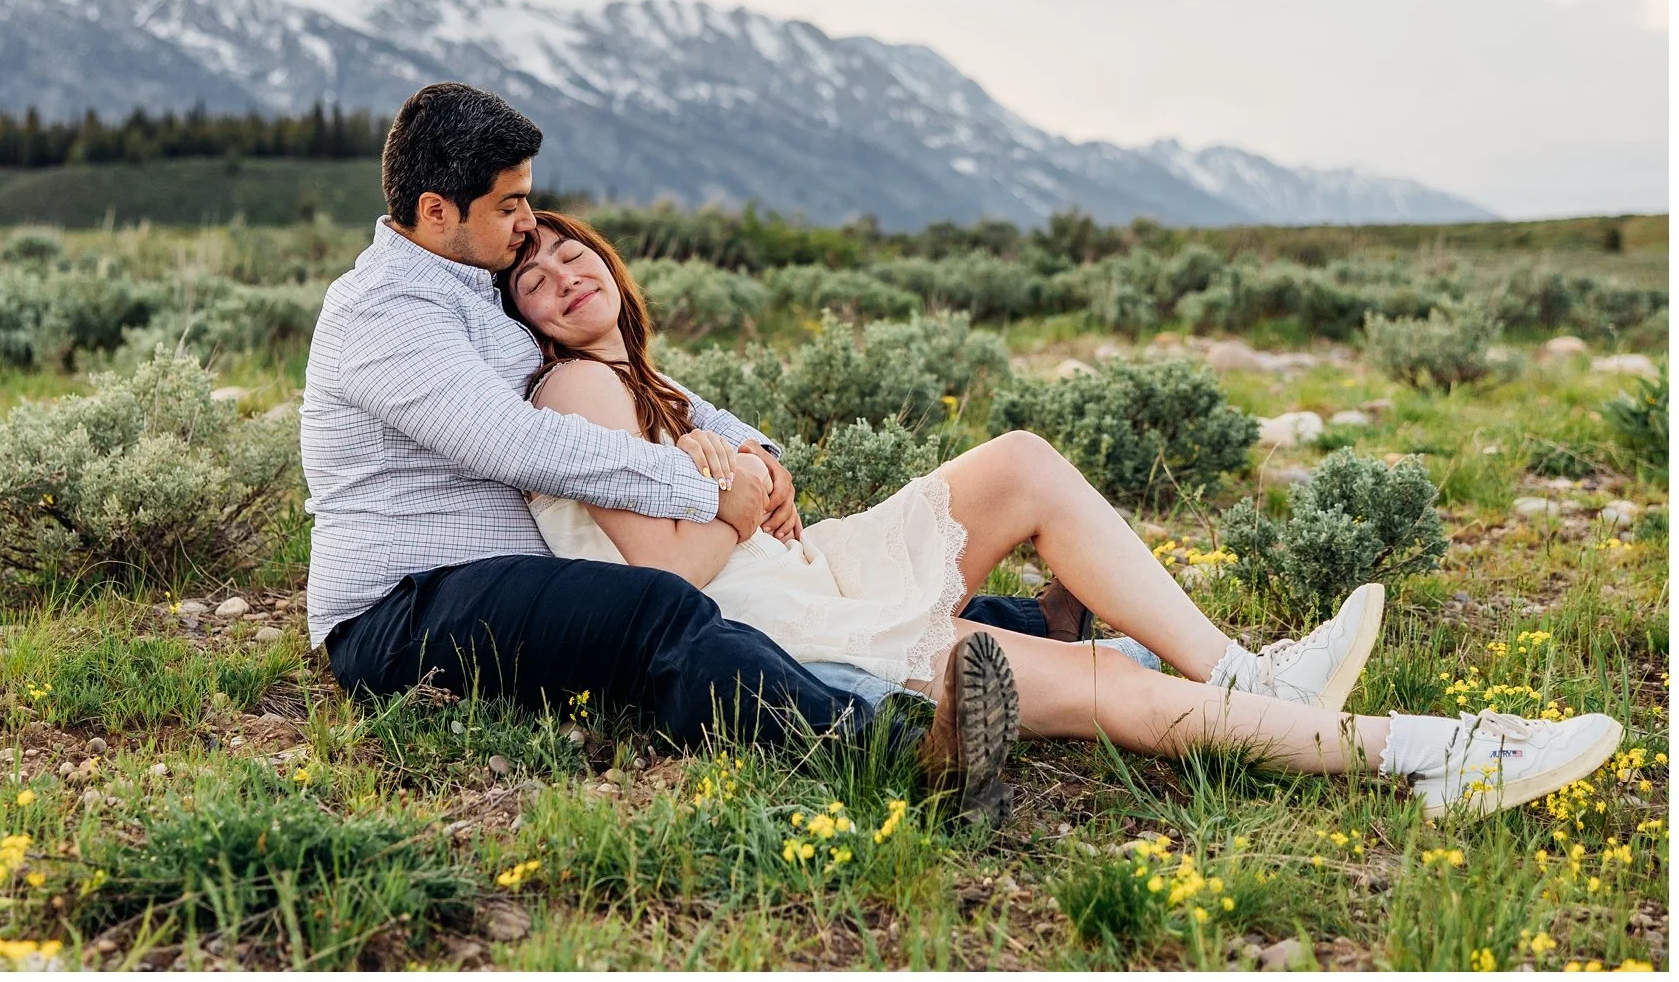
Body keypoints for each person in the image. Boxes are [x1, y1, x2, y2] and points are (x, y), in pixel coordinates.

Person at [499, 207, 1628, 820]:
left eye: (567, 248)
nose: (559, 273)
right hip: (786, 629)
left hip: (812, 575)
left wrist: (746, 471)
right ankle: (1433, 753)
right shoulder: (574, 389)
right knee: (1100, 686)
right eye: (532, 278)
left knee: (1021, 464)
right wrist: (739, 499)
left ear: (607, 257)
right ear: (528, 323)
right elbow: (668, 582)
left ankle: (1249, 673)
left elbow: (720, 498)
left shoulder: (638, 379)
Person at [304, 82, 1022, 820]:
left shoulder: (477, 282)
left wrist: (748, 447)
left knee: (746, 594)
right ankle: (901, 753)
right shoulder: (384, 310)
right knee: (658, 610)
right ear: (435, 211)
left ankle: (1029, 629)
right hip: (403, 610)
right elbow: (514, 442)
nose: (526, 223)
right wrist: (707, 491)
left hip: (507, 580)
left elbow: (626, 374)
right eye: (508, 205)